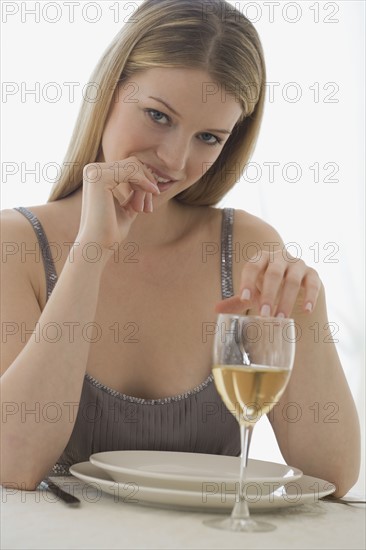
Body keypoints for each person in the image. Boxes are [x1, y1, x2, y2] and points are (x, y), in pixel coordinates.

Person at [0, 0, 360, 496]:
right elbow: (13, 465)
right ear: (108, 94)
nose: (174, 159)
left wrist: (304, 307)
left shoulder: (247, 248)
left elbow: (334, 477)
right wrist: (91, 251)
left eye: (208, 137)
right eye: (158, 115)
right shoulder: (16, 246)